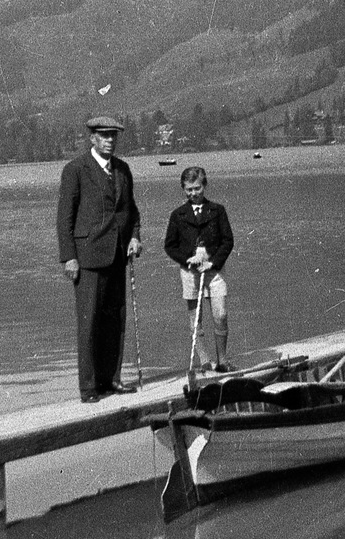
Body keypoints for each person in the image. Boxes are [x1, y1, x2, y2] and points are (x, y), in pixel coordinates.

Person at [57, 115, 142, 403]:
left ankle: (112, 379)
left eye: (113, 136)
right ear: (92, 138)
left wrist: (135, 237)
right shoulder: (75, 170)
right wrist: (69, 257)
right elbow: (64, 217)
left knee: (114, 320)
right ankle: (89, 387)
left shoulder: (123, 169)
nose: (109, 140)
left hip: (118, 254)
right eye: (103, 135)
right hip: (88, 257)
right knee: (89, 322)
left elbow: (131, 210)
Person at [162, 166, 236, 372]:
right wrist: (188, 261)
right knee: (196, 319)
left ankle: (222, 361)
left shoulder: (218, 210)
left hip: (214, 270)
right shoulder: (178, 215)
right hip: (190, 272)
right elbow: (169, 246)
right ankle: (205, 360)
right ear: (183, 190)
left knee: (220, 315)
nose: (193, 193)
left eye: (197, 188)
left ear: (204, 186)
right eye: (188, 189)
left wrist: (213, 262)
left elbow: (228, 241)